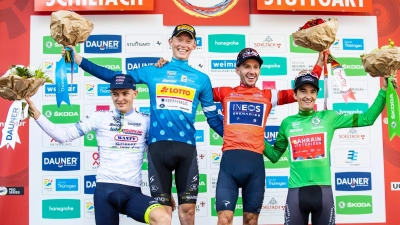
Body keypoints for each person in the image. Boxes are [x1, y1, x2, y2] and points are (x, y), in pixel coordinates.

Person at [64, 24, 223, 225]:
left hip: (187, 150)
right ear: (171, 42)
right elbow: (116, 78)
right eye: (179, 39)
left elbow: (213, 118)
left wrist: (242, 140)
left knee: (188, 212)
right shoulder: (153, 71)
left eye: (188, 41)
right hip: (158, 150)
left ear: (194, 45)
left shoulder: (202, 79)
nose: (183, 44)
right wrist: (78, 60)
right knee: (163, 213)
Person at [156, 47, 325, 225]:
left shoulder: (268, 95)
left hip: (255, 168)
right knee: (224, 218)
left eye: (255, 67)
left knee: (251, 220)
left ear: (259, 70)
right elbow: (193, 89)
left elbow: (303, 89)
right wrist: (170, 69)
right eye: (246, 66)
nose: (251, 71)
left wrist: (319, 64)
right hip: (230, 166)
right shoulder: (226, 92)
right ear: (238, 70)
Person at [26, 74, 171, 225]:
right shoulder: (100, 117)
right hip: (105, 191)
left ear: (135, 93)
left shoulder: (146, 121)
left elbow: (157, 158)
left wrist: (164, 192)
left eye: (125, 93)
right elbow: (64, 136)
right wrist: (36, 114)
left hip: (131, 193)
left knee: (163, 218)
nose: (120, 98)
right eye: (115, 94)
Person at [263, 71, 392, 225]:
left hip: (323, 194)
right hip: (296, 193)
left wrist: (383, 90)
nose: (307, 96)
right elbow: (274, 155)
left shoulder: (329, 117)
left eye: (312, 91)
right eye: (303, 91)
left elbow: (367, 119)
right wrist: (255, 134)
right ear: (295, 95)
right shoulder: (287, 123)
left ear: (317, 94)